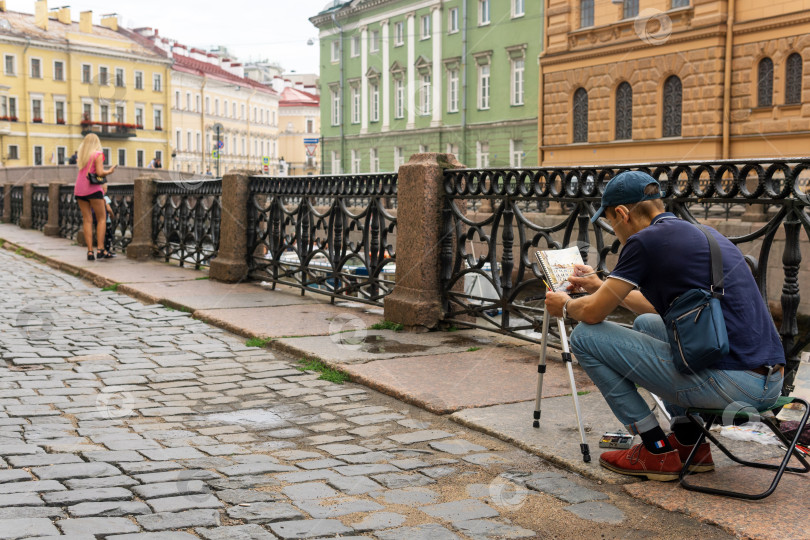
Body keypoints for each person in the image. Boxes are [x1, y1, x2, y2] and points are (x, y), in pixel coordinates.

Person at [544, 171, 784, 481]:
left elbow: (591, 315)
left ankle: (655, 450)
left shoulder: (644, 241)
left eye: (611, 222)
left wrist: (563, 305)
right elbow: (654, 307)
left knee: (586, 337)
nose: (614, 231)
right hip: (769, 382)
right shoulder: (704, 233)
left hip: (734, 387)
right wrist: (599, 286)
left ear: (622, 213)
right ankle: (691, 444)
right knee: (648, 323)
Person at [74, 133, 116, 260]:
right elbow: (99, 173)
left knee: (87, 220)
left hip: (79, 189)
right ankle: (101, 249)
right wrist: (109, 171)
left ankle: (90, 252)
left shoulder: (82, 155)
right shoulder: (98, 154)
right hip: (93, 189)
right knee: (102, 218)